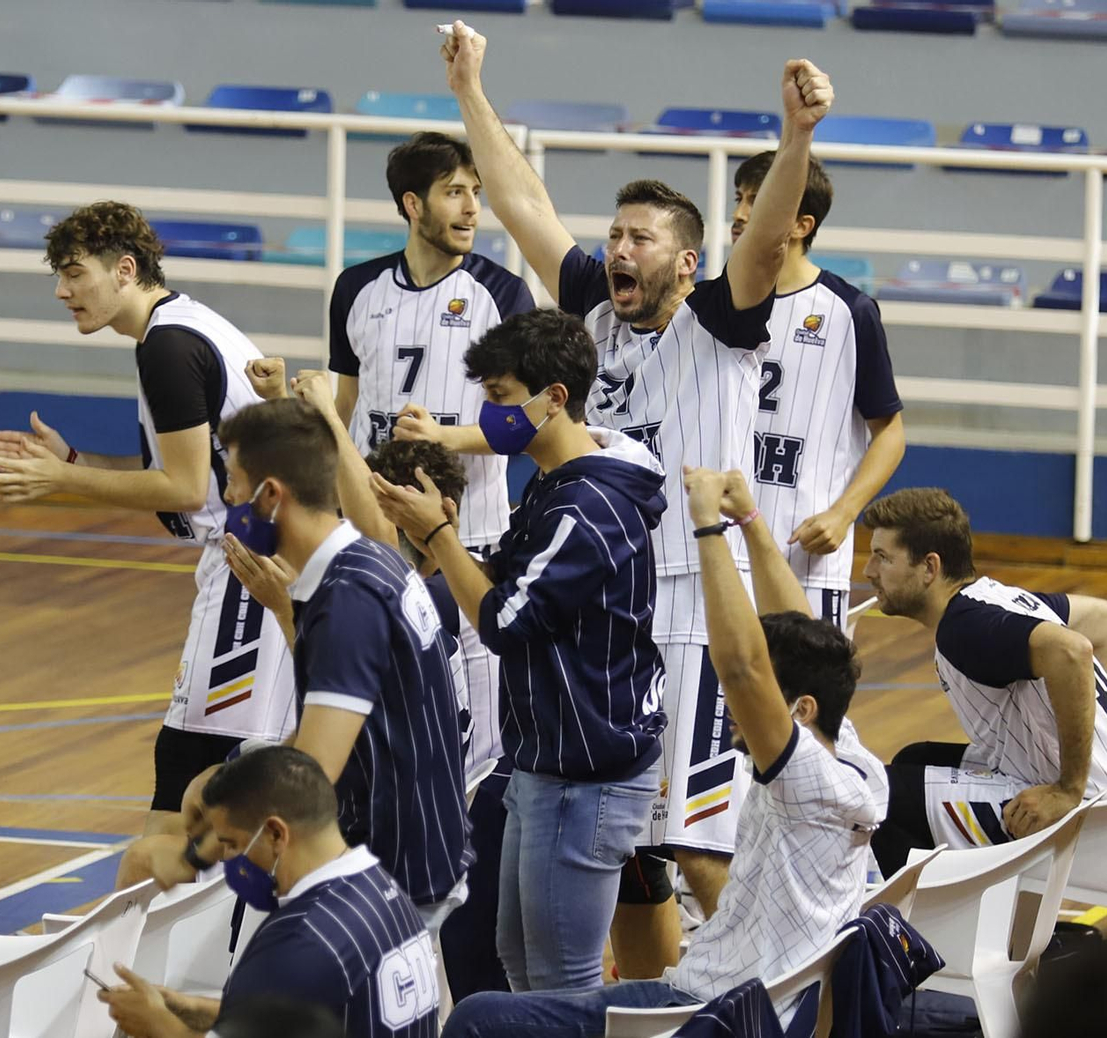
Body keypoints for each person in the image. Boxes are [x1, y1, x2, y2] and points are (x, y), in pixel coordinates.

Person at [439, 19, 836, 930]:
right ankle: (648, 998)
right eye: (615, 235)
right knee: (629, 857)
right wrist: (470, 92)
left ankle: (756, 985)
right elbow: (523, 205)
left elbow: (765, 240)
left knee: (698, 844)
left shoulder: (720, 320)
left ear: (687, 262)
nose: (620, 249)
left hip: (693, 605)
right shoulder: (592, 311)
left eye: (642, 239)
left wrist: (796, 137)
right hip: (606, 611)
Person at [440, 465, 886, 1037]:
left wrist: (707, 528)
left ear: (800, 710)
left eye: (757, 704)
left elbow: (743, 668)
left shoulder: (806, 778)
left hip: (708, 1016)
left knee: (476, 1017)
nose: (733, 704)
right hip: (745, 1003)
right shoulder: (851, 759)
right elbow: (797, 632)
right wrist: (750, 521)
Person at [0, 201, 293, 845]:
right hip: (272, 548)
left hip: (254, 558)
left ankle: (170, 900)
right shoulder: (180, 325)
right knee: (227, 764)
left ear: (124, 270)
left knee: (195, 763)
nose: (62, 291)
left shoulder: (167, 348)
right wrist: (73, 461)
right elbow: (187, 474)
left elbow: (182, 488)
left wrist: (60, 481)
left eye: (75, 274)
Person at [371, 308, 667, 992]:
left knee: (561, 985)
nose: (490, 415)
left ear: (554, 397)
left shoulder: (585, 508)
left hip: (583, 778)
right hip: (546, 764)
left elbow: (505, 621)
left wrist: (439, 535)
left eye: (501, 396)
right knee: (516, 963)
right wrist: (436, 543)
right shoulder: (553, 485)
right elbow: (502, 575)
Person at [241, 360, 512, 999]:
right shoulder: (414, 584)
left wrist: (325, 416)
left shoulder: (409, 589)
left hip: (443, 825)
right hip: (441, 829)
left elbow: (381, 541)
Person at [216, 398, 472, 928]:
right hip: (414, 863)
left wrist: (217, 814)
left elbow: (310, 779)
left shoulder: (347, 598)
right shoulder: (373, 562)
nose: (227, 497)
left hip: (383, 882)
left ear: (271, 495)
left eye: (234, 481)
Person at [330, 130, 535, 779]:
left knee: (481, 750)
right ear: (412, 204)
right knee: (384, 733)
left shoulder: (503, 294)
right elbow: (346, 408)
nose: (472, 208)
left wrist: (446, 438)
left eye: (476, 192)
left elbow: (530, 423)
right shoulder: (356, 289)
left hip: (469, 548)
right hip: (378, 543)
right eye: (454, 193)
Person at [859, 488, 1107, 879]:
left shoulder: (964, 628)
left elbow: (1072, 651)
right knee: (914, 761)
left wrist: (1069, 788)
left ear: (929, 567)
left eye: (883, 557)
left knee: (881, 795)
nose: (868, 570)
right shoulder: (999, 598)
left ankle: (915, 918)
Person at [100, 747, 442, 1038]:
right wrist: (187, 1007)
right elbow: (295, 1017)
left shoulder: (297, 940)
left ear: (276, 833)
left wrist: (159, 1026)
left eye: (232, 844)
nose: (227, 859)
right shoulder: (383, 890)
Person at [730, 151, 905, 631]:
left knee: (804, 680)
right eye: (739, 199)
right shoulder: (710, 305)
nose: (740, 214)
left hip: (802, 553)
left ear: (801, 224)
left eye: (757, 200)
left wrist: (843, 514)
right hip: (717, 548)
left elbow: (890, 433)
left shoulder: (849, 312)